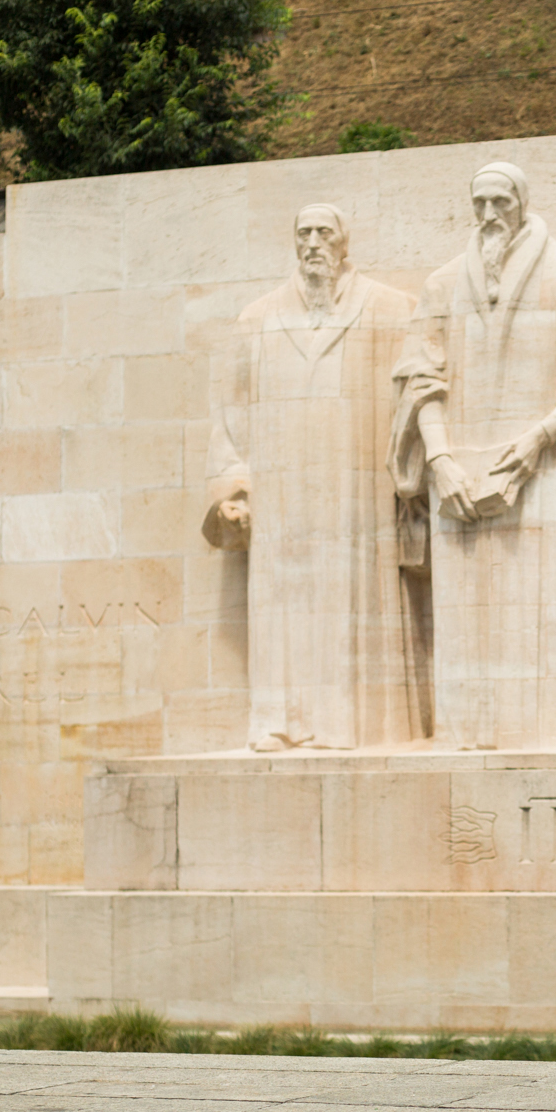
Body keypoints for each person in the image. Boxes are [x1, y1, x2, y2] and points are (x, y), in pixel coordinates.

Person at [387, 162, 556, 749]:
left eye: (500, 201)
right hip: (456, 475)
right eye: (478, 202)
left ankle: (555, 736)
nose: (488, 215)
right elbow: (419, 379)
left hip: (552, 471)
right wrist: (439, 459)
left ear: (522, 204)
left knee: (549, 621)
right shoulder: (441, 285)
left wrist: (535, 442)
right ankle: (468, 739)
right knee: (469, 626)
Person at [202, 202, 427, 751]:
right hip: (282, 502)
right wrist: (235, 490)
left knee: (351, 603)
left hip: (358, 498)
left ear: (344, 242)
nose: (313, 243)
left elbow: (418, 394)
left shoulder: (391, 310)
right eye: (303, 233)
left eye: (324, 232)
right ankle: (278, 721)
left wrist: (413, 480)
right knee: (283, 608)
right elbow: (229, 418)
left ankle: (349, 723)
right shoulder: (256, 319)